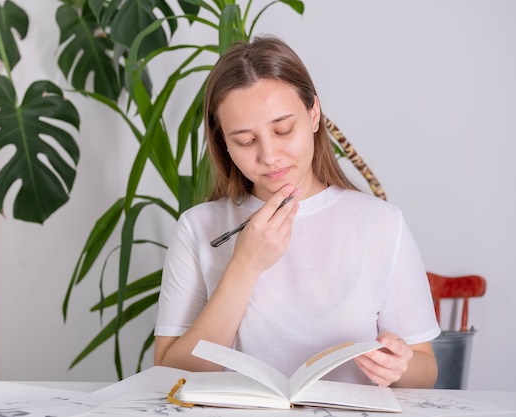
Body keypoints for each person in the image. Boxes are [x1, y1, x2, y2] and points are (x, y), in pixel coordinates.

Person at [154, 35, 440, 388]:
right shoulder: (198, 227)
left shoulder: (381, 223)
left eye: (283, 129)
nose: (269, 155)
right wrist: (245, 265)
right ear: (223, 142)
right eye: (245, 140)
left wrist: (399, 368)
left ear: (314, 114)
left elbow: (425, 370)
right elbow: (168, 376)